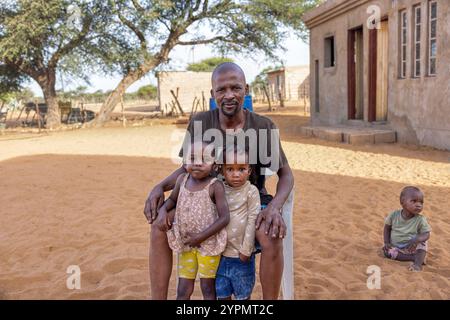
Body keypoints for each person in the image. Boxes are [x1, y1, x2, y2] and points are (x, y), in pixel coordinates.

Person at [144, 62, 294, 299]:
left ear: (246, 89)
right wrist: (159, 187)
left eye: (235, 88)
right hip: (204, 200)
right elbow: (187, 168)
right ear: (212, 94)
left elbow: (286, 174)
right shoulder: (201, 123)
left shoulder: (263, 126)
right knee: (158, 226)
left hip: (249, 201)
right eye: (221, 90)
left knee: (271, 234)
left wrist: (275, 206)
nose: (229, 95)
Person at [156, 141, 229, 299]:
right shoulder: (182, 180)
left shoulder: (215, 186)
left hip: (208, 246)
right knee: (183, 289)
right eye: (192, 158)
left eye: (204, 159)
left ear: (215, 166)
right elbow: (172, 201)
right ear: (185, 161)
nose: (197, 163)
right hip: (186, 245)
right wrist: (162, 211)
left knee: (207, 288)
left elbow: (225, 217)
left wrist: (201, 237)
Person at [215, 146, 260, 300]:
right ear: (222, 171)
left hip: (241, 257)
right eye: (230, 169)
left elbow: (253, 218)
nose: (236, 175)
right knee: (222, 294)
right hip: (219, 256)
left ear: (249, 170)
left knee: (243, 296)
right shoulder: (219, 189)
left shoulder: (251, 191)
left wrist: (246, 250)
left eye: (241, 169)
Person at [382, 186, 431, 272]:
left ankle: (417, 265)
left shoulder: (420, 219)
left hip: (412, 247)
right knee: (387, 252)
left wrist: (417, 239)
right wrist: (386, 242)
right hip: (397, 247)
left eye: (421, 202)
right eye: (414, 201)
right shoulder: (394, 215)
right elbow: (387, 228)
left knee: (423, 243)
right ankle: (414, 258)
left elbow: (427, 234)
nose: (418, 205)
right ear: (402, 202)